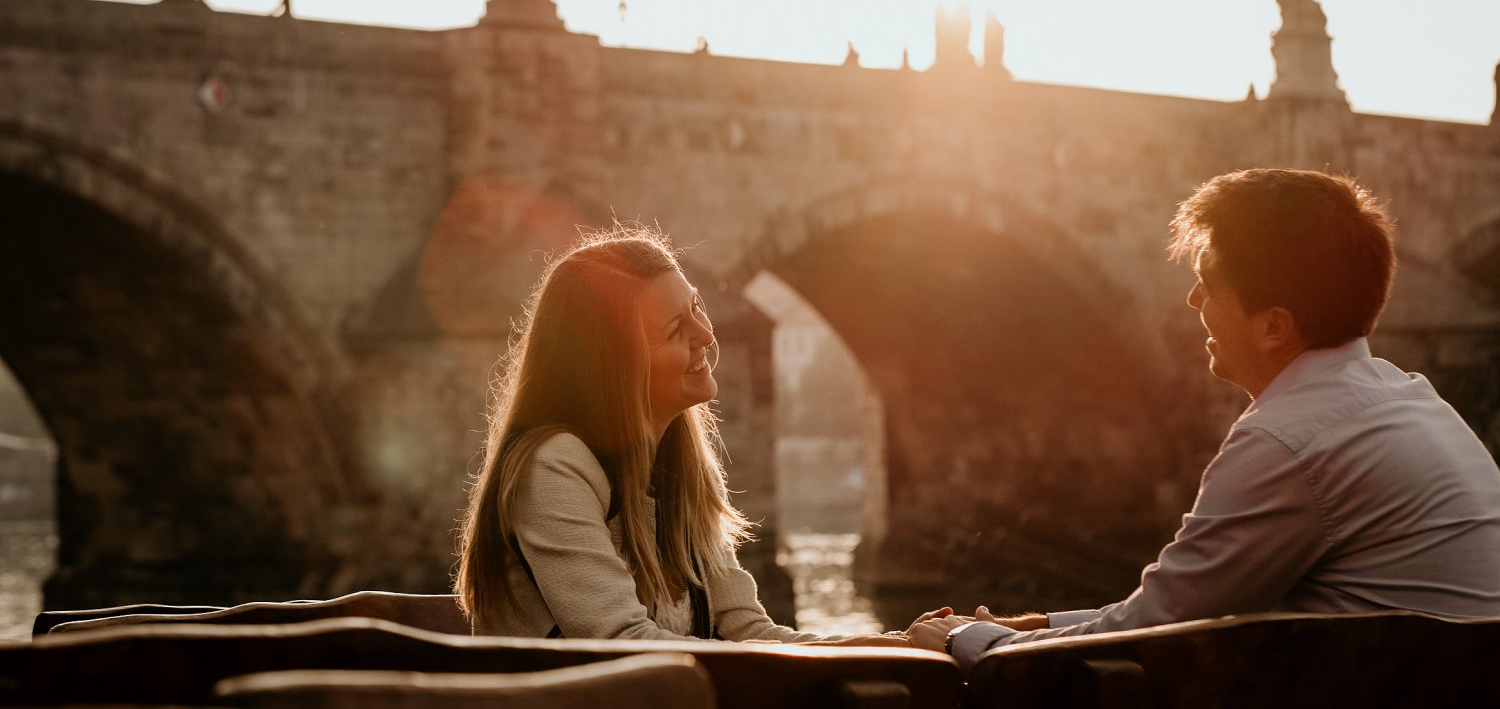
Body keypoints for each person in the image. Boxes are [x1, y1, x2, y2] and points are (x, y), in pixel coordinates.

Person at [910, 168, 1500, 668]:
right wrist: (1033, 623)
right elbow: (1191, 603)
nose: (1194, 300)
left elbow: (1154, 628)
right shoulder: (1412, 399)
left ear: (1273, 326)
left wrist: (968, 640)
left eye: (1210, 283)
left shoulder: (1287, 441)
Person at [455, 225, 902, 643]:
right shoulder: (554, 467)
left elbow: (750, 632)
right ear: (615, 366)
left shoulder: (680, 469)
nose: (705, 335)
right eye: (675, 330)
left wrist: (900, 646)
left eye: (696, 307)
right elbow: (623, 647)